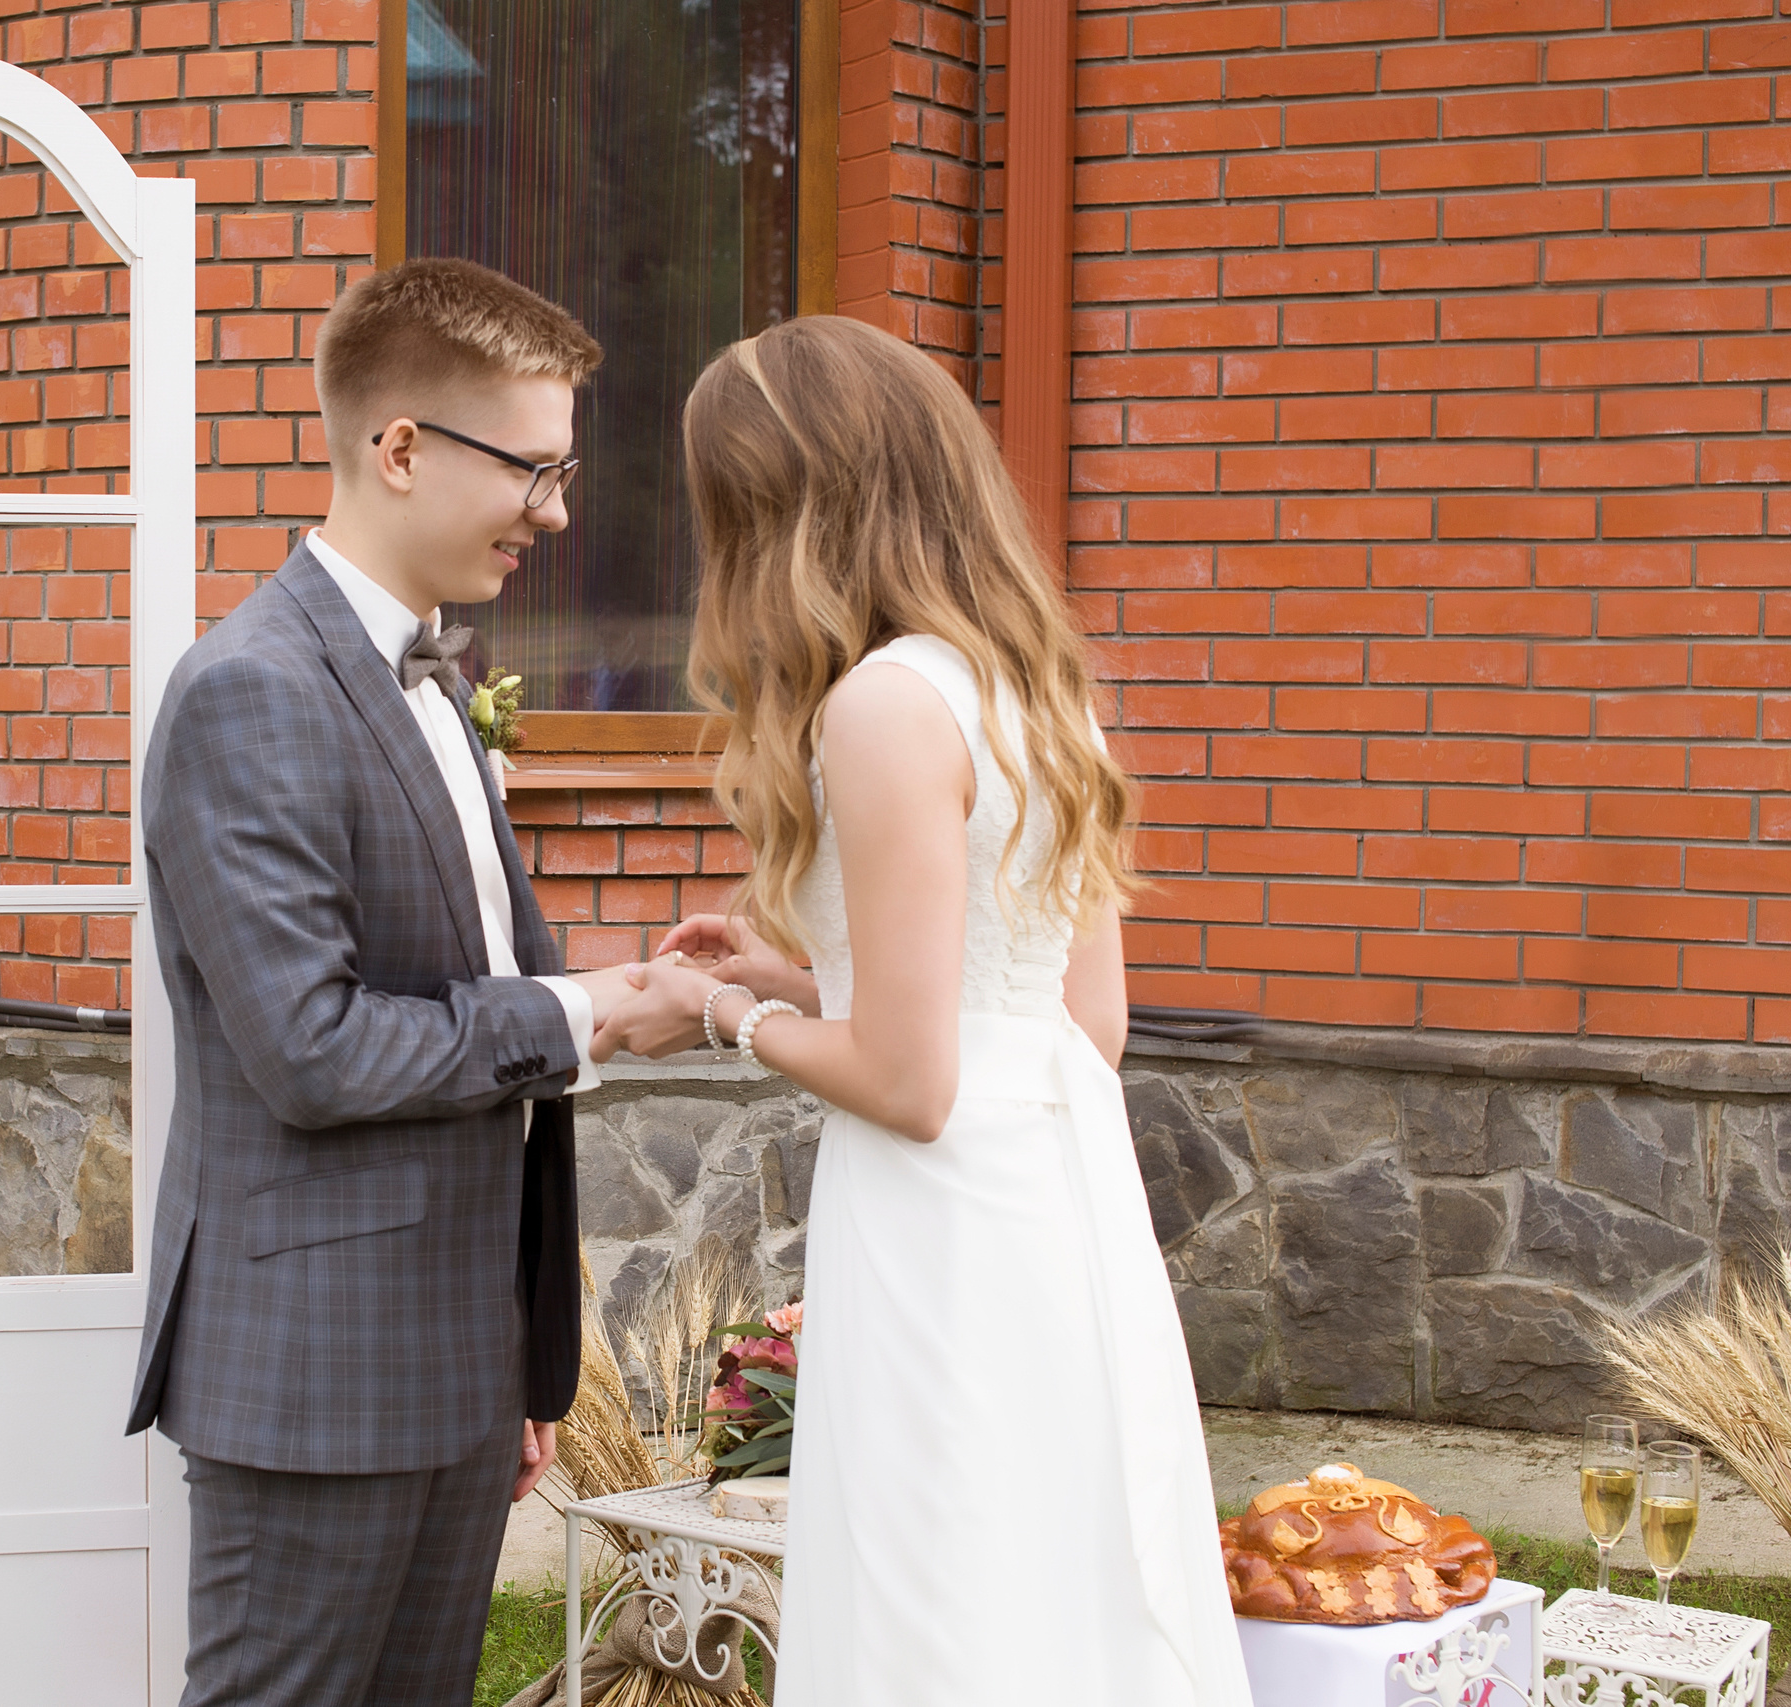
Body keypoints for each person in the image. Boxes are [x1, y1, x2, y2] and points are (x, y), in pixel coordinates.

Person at [594, 316, 1255, 1705]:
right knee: (1050, 1574)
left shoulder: (881, 705)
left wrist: (714, 1013)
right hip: (1060, 1202)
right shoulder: (1034, 690)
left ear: (783, 506)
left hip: (940, 1227)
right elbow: (1078, 1023)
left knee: (937, 1583)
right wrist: (799, 977)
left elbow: (912, 1084)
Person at [127, 259, 638, 1707]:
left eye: (562, 471)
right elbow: (313, 1048)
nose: (555, 511)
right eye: (534, 470)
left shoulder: (437, 681)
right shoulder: (251, 689)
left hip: (459, 1365)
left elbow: (466, 974)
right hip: (317, 1378)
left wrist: (514, 1359)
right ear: (401, 447)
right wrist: (586, 1014)